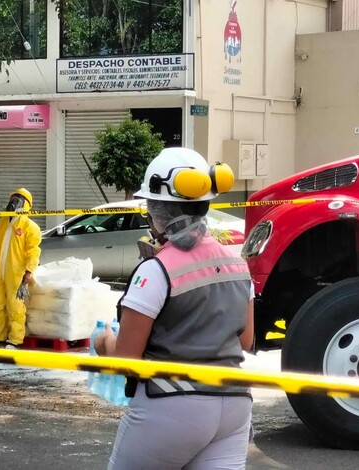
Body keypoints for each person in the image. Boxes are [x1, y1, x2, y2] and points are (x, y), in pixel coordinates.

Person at [95, 148, 254, 470]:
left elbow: (126, 359)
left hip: (171, 404)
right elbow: (246, 341)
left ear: (156, 212)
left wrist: (102, 341)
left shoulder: (156, 270)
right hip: (235, 405)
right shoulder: (238, 264)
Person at [0, 188, 41, 349]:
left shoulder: (30, 226)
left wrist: (29, 271)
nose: (14, 202)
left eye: (19, 199)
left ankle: (15, 339)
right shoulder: (3, 222)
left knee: (15, 306)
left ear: (26, 204)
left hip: (17, 274)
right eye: (13, 198)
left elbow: (33, 251)